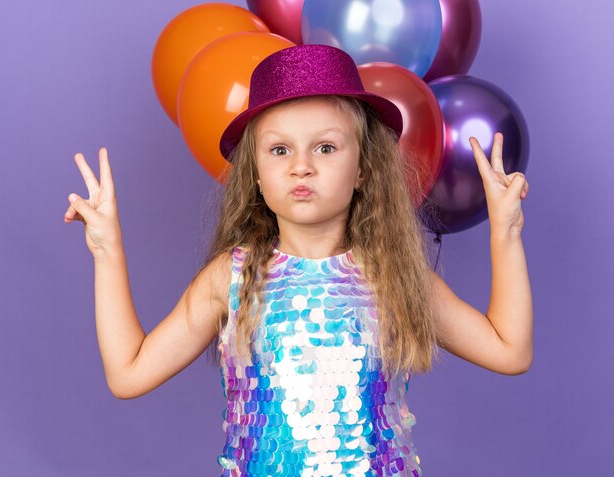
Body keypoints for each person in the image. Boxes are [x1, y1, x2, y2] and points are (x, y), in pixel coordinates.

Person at [64, 44, 532, 477]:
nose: (300, 166)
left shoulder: (393, 276)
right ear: (257, 175)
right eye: (279, 149)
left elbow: (509, 351)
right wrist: (108, 249)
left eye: (325, 148)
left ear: (363, 169)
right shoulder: (230, 277)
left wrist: (505, 230)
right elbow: (128, 373)